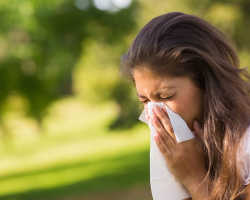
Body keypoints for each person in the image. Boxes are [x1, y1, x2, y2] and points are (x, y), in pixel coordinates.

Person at [119, 12, 250, 199]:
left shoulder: (246, 146)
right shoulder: (186, 151)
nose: (155, 113)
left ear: (205, 82)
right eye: (145, 101)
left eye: (166, 95)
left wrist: (195, 178)